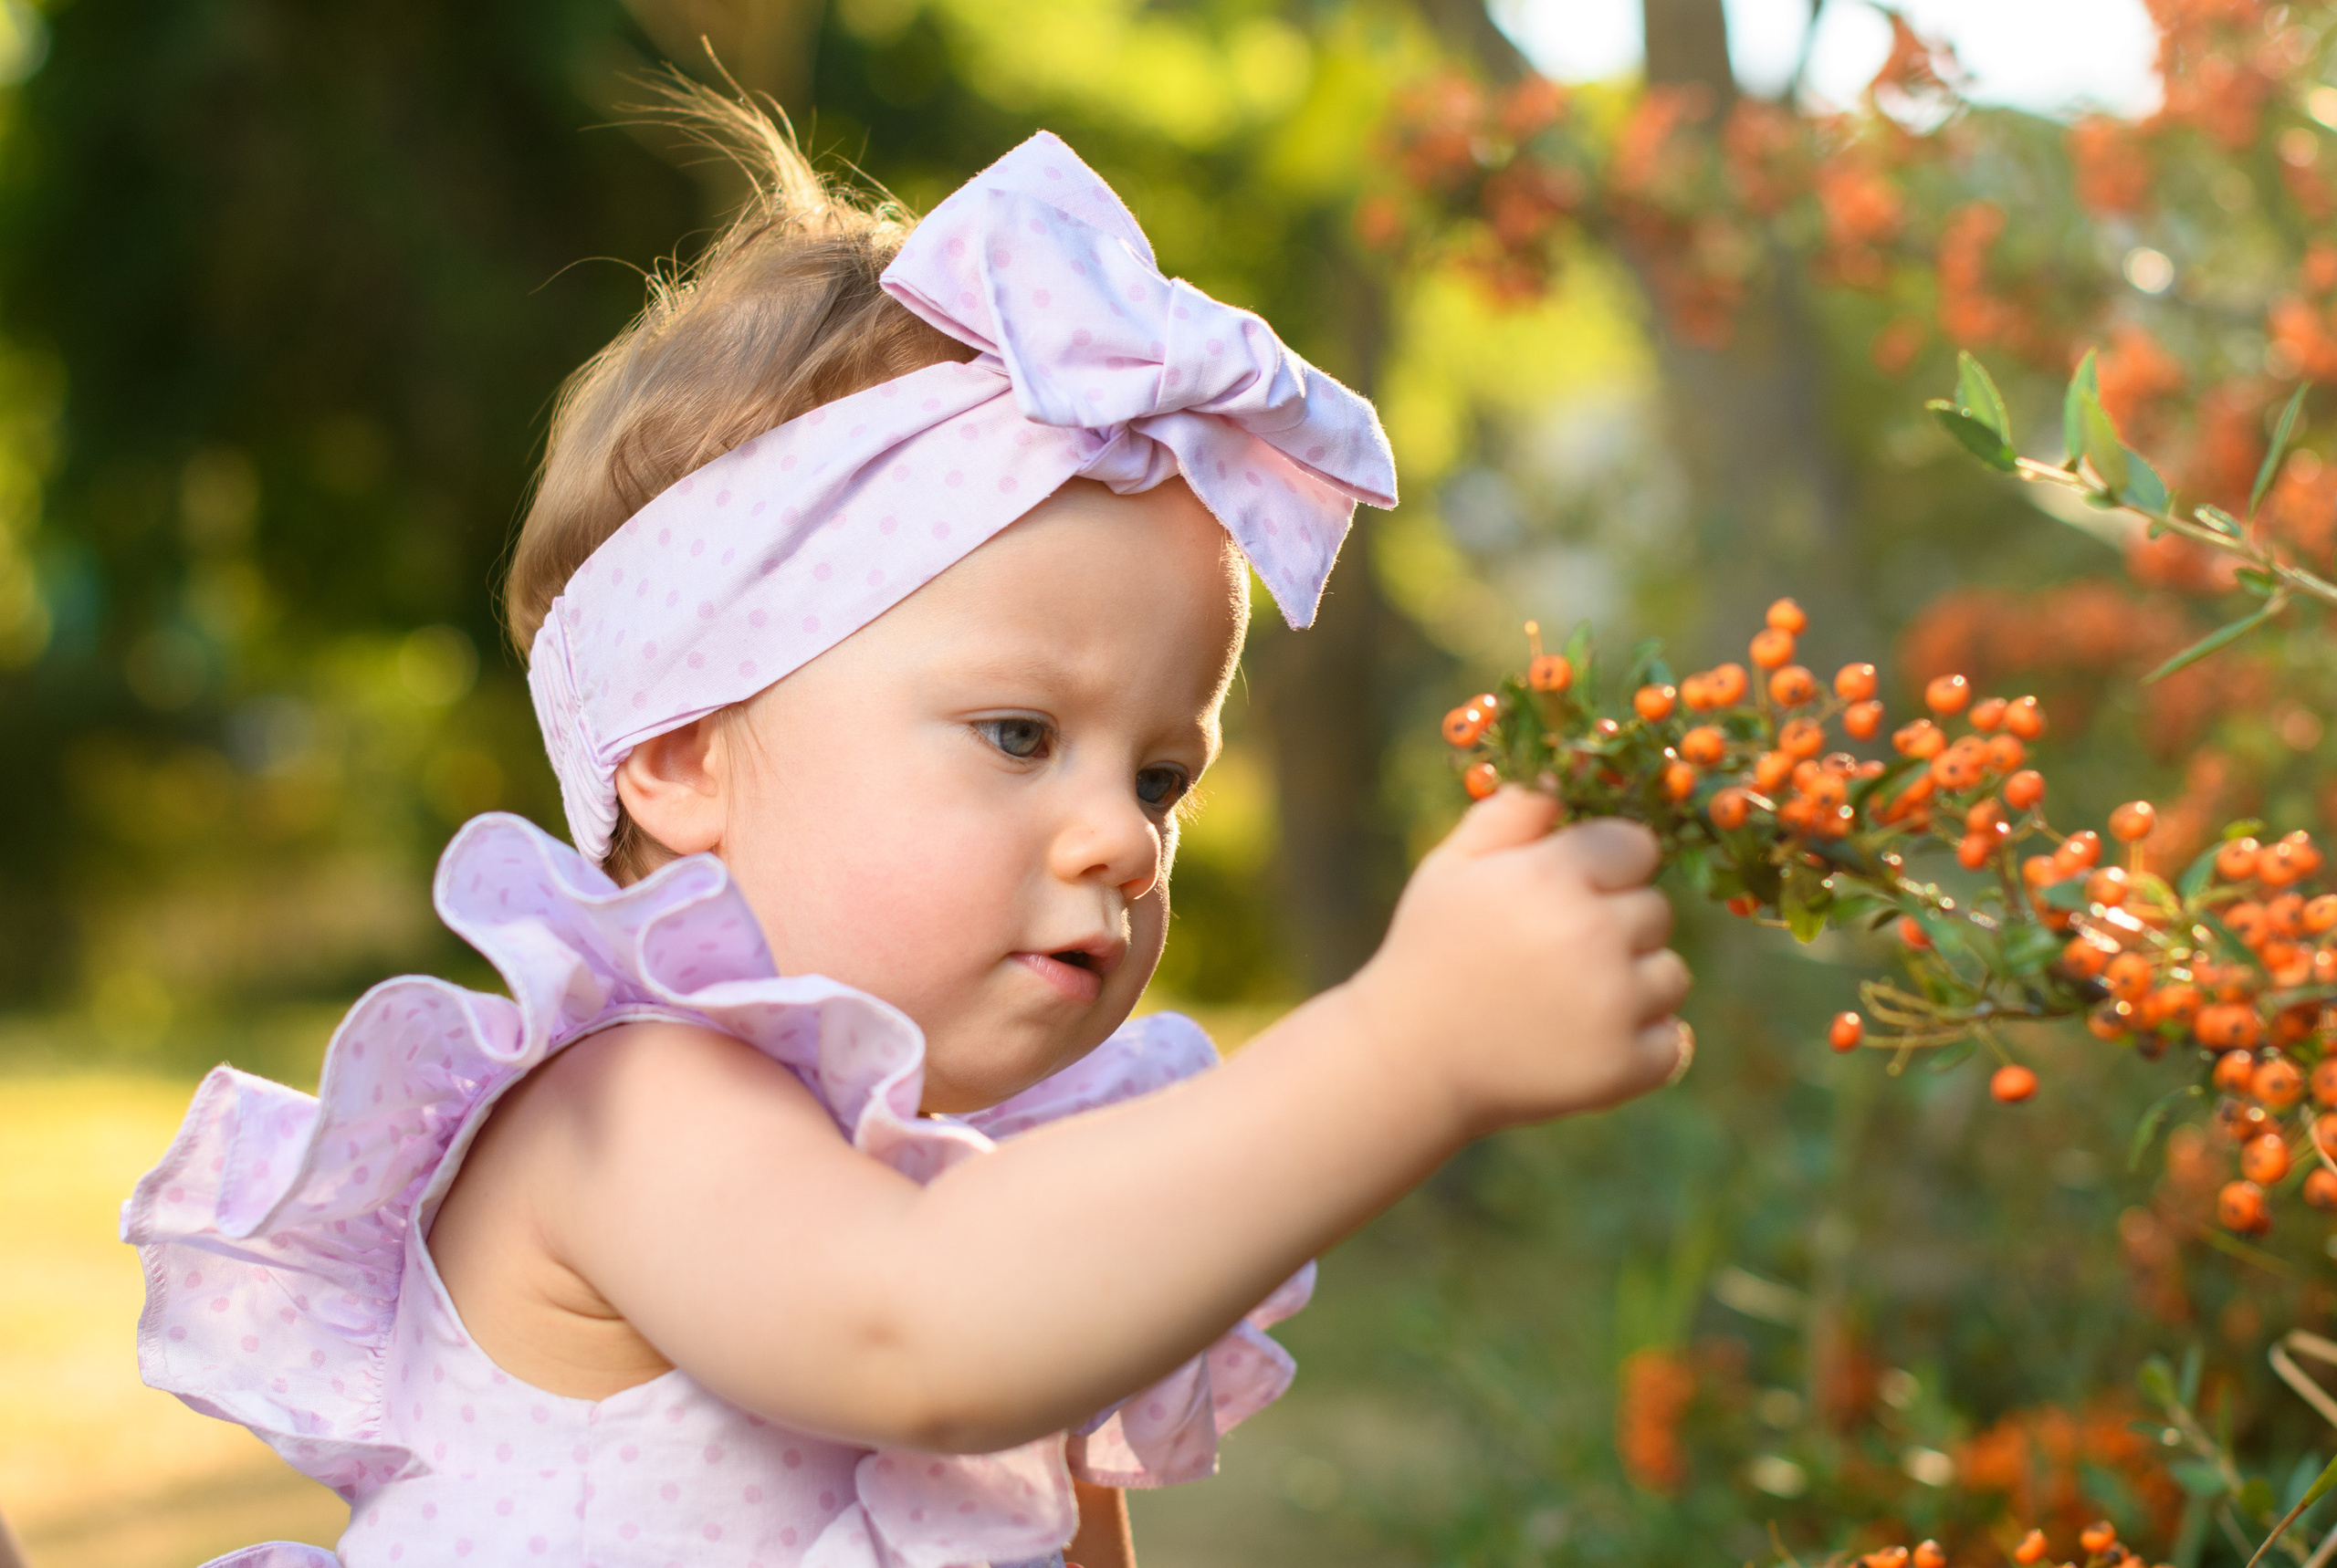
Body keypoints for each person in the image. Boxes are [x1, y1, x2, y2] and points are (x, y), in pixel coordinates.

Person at [121, 88, 1691, 1568]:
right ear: (677, 755)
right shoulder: (625, 1108)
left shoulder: (1018, 1213)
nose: (1125, 842)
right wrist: (1410, 1049)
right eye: (1019, 734)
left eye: (1161, 774)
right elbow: (921, 1335)